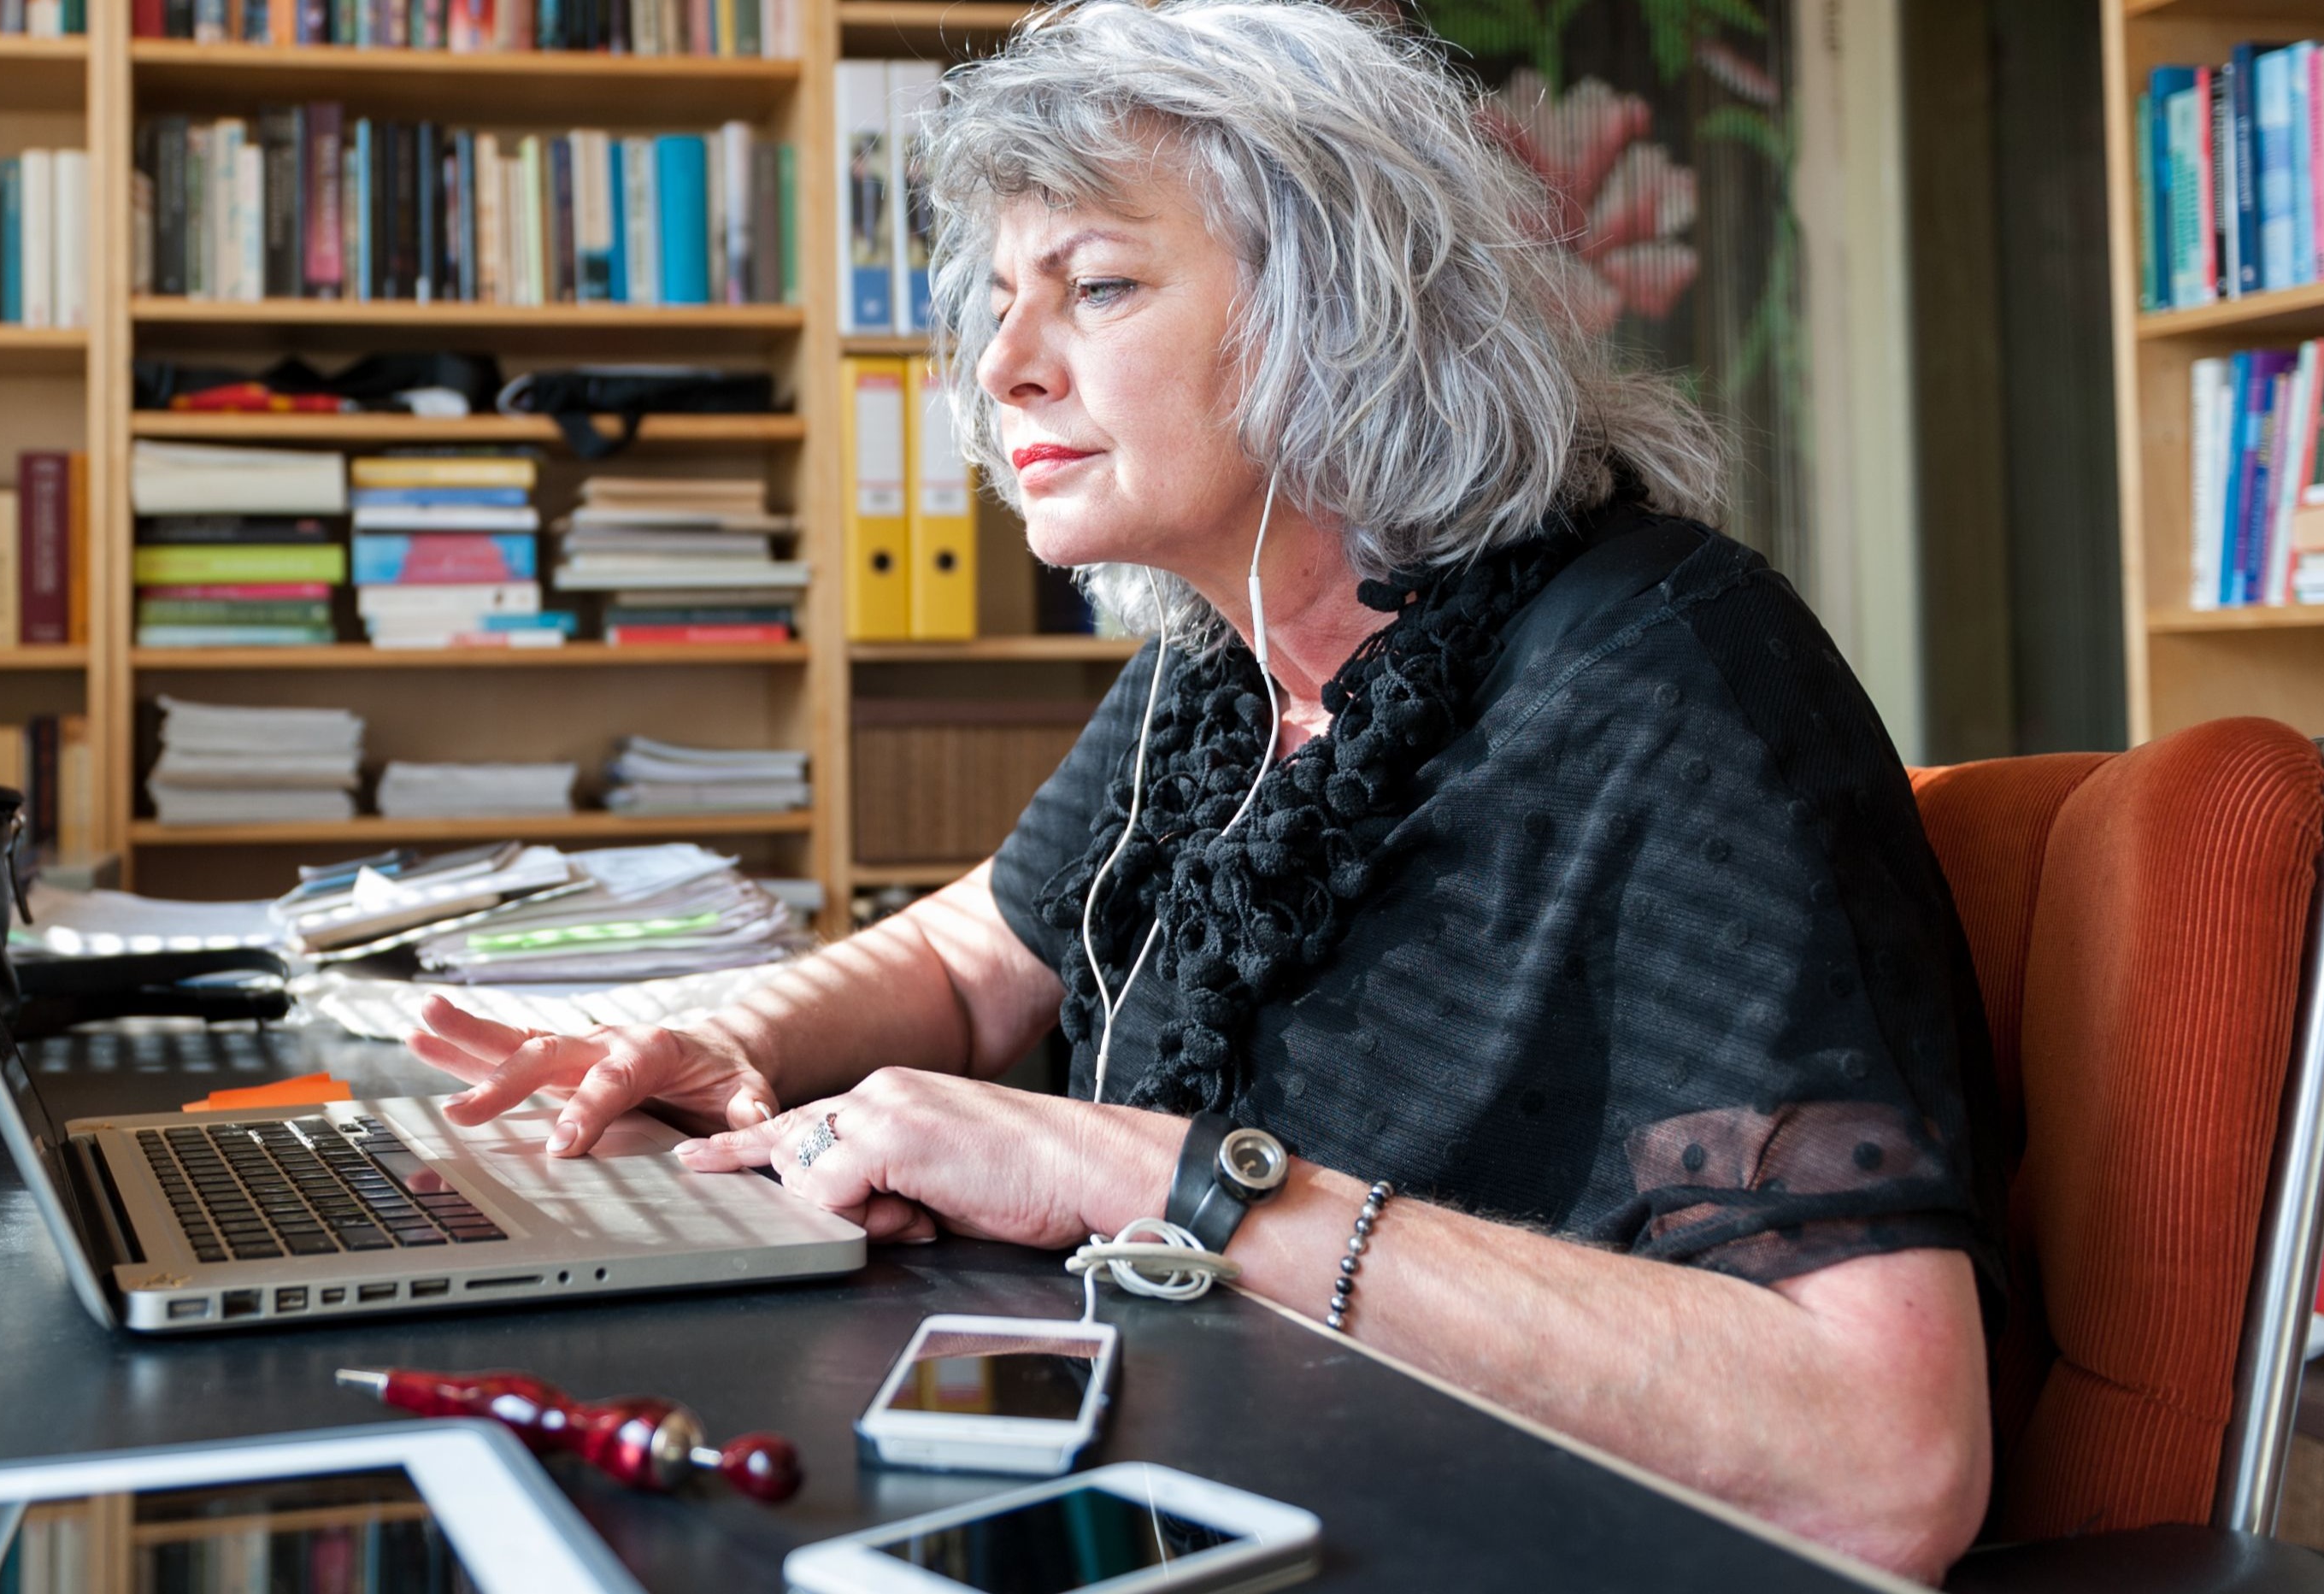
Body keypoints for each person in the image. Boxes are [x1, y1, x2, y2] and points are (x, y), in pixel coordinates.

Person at [409, 0, 2002, 1580]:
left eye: (1096, 286)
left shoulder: (1670, 678)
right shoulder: (1225, 660)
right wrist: (722, 1034)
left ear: (1345, 314)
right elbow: (978, 960)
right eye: (1001, 299)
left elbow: (1883, 1462)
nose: (1004, 367)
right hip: (1211, 1489)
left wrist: (1137, 1175)